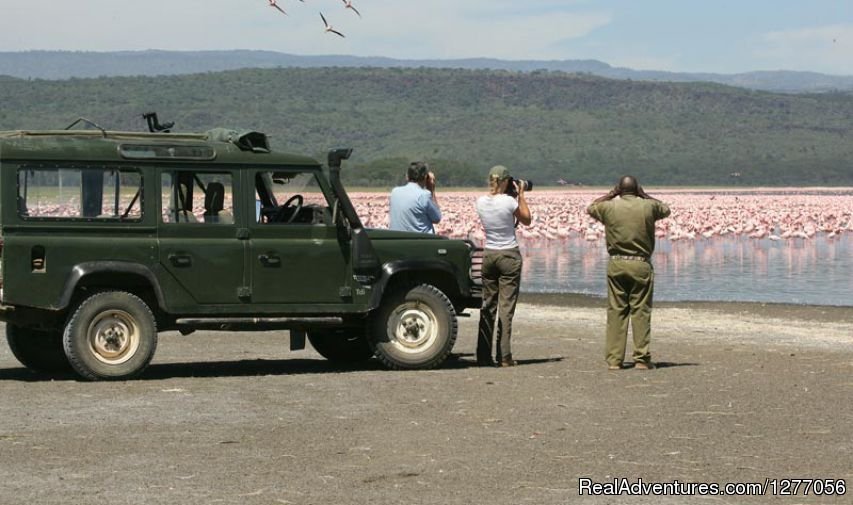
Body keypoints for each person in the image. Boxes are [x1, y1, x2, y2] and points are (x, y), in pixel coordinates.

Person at [587, 175, 671, 371]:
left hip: (616, 264)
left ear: (619, 190)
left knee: (616, 310)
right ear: (637, 190)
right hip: (640, 264)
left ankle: (615, 360)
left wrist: (611, 194)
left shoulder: (608, 207)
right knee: (640, 311)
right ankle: (641, 358)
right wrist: (645, 195)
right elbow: (666, 209)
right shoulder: (648, 206)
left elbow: (591, 207)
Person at [475, 165, 531, 367]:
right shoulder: (509, 201)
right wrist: (521, 195)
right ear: (507, 181)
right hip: (508, 254)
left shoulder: (480, 202)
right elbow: (527, 220)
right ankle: (504, 355)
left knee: (488, 306)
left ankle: (483, 355)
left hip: (489, 255)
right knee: (506, 308)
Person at [389, 161, 441, 233]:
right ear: (425, 177)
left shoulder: (395, 192)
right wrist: (431, 189)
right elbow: (437, 218)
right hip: (420, 242)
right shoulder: (424, 195)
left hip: (396, 240)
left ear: (407, 176)